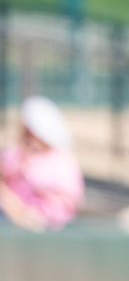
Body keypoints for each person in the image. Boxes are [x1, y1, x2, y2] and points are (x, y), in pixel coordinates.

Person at [0, 96, 84, 231]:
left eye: (31, 133)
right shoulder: (15, 154)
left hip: (47, 224)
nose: (29, 138)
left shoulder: (61, 160)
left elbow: (68, 199)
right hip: (15, 222)